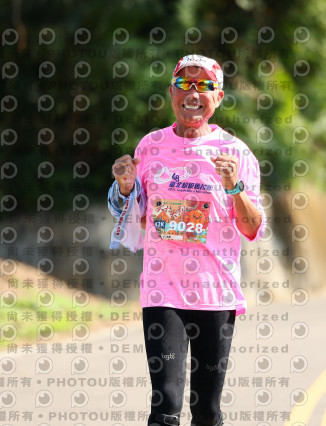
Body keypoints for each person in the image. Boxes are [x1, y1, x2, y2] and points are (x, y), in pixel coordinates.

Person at [107, 54, 266, 426]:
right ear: (171, 92)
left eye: (204, 86)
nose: (193, 93)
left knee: (206, 412)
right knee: (165, 408)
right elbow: (131, 215)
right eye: (184, 84)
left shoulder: (236, 153)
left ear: (219, 97)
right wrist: (125, 187)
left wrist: (234, 187)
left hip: (215, 293)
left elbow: (252, 227)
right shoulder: (150, 146)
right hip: (162, 291)